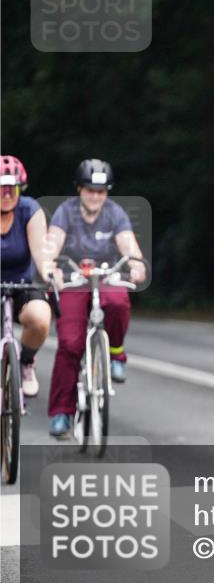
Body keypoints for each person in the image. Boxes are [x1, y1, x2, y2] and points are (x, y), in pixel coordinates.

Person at [45, 159, 146, 437]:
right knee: (69, 344)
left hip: (106, 275)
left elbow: (128, 244)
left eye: (101, 192)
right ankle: (61, 414)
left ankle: (116, 353)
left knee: (117, 302)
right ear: (79, 189)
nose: (95, 196)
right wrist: (51, 268)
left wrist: (136, 264)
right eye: (90, 190)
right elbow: (52, 243)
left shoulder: (115, 214)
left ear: (107, 193)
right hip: (74, 280)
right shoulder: (65, 212)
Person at [0, 155, 52, 398]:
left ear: (21, 188)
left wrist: (49, 271)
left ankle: (26, 362)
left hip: (21, 285)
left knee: (41, 317)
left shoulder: (29, 209)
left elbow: (41, 250)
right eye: (1, 187)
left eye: (12, 188)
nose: (7, 193)